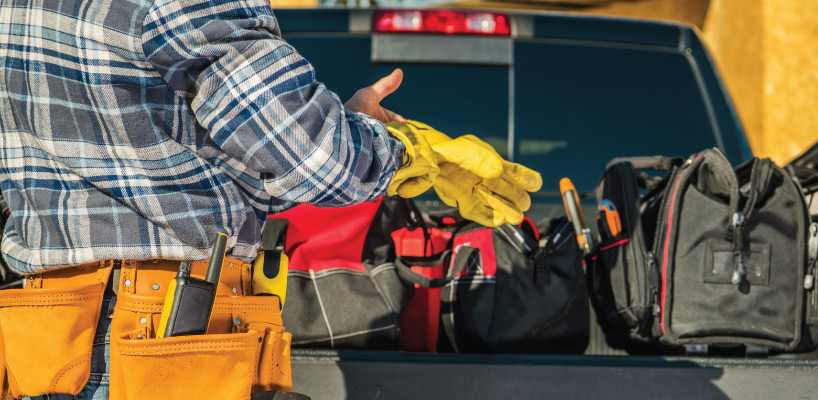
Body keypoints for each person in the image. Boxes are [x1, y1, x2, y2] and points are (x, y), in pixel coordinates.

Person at [0, 0, 538, 399]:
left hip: (43, 334)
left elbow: (207, 167)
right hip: (163, 337)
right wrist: (405, 150)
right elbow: (311, 157)